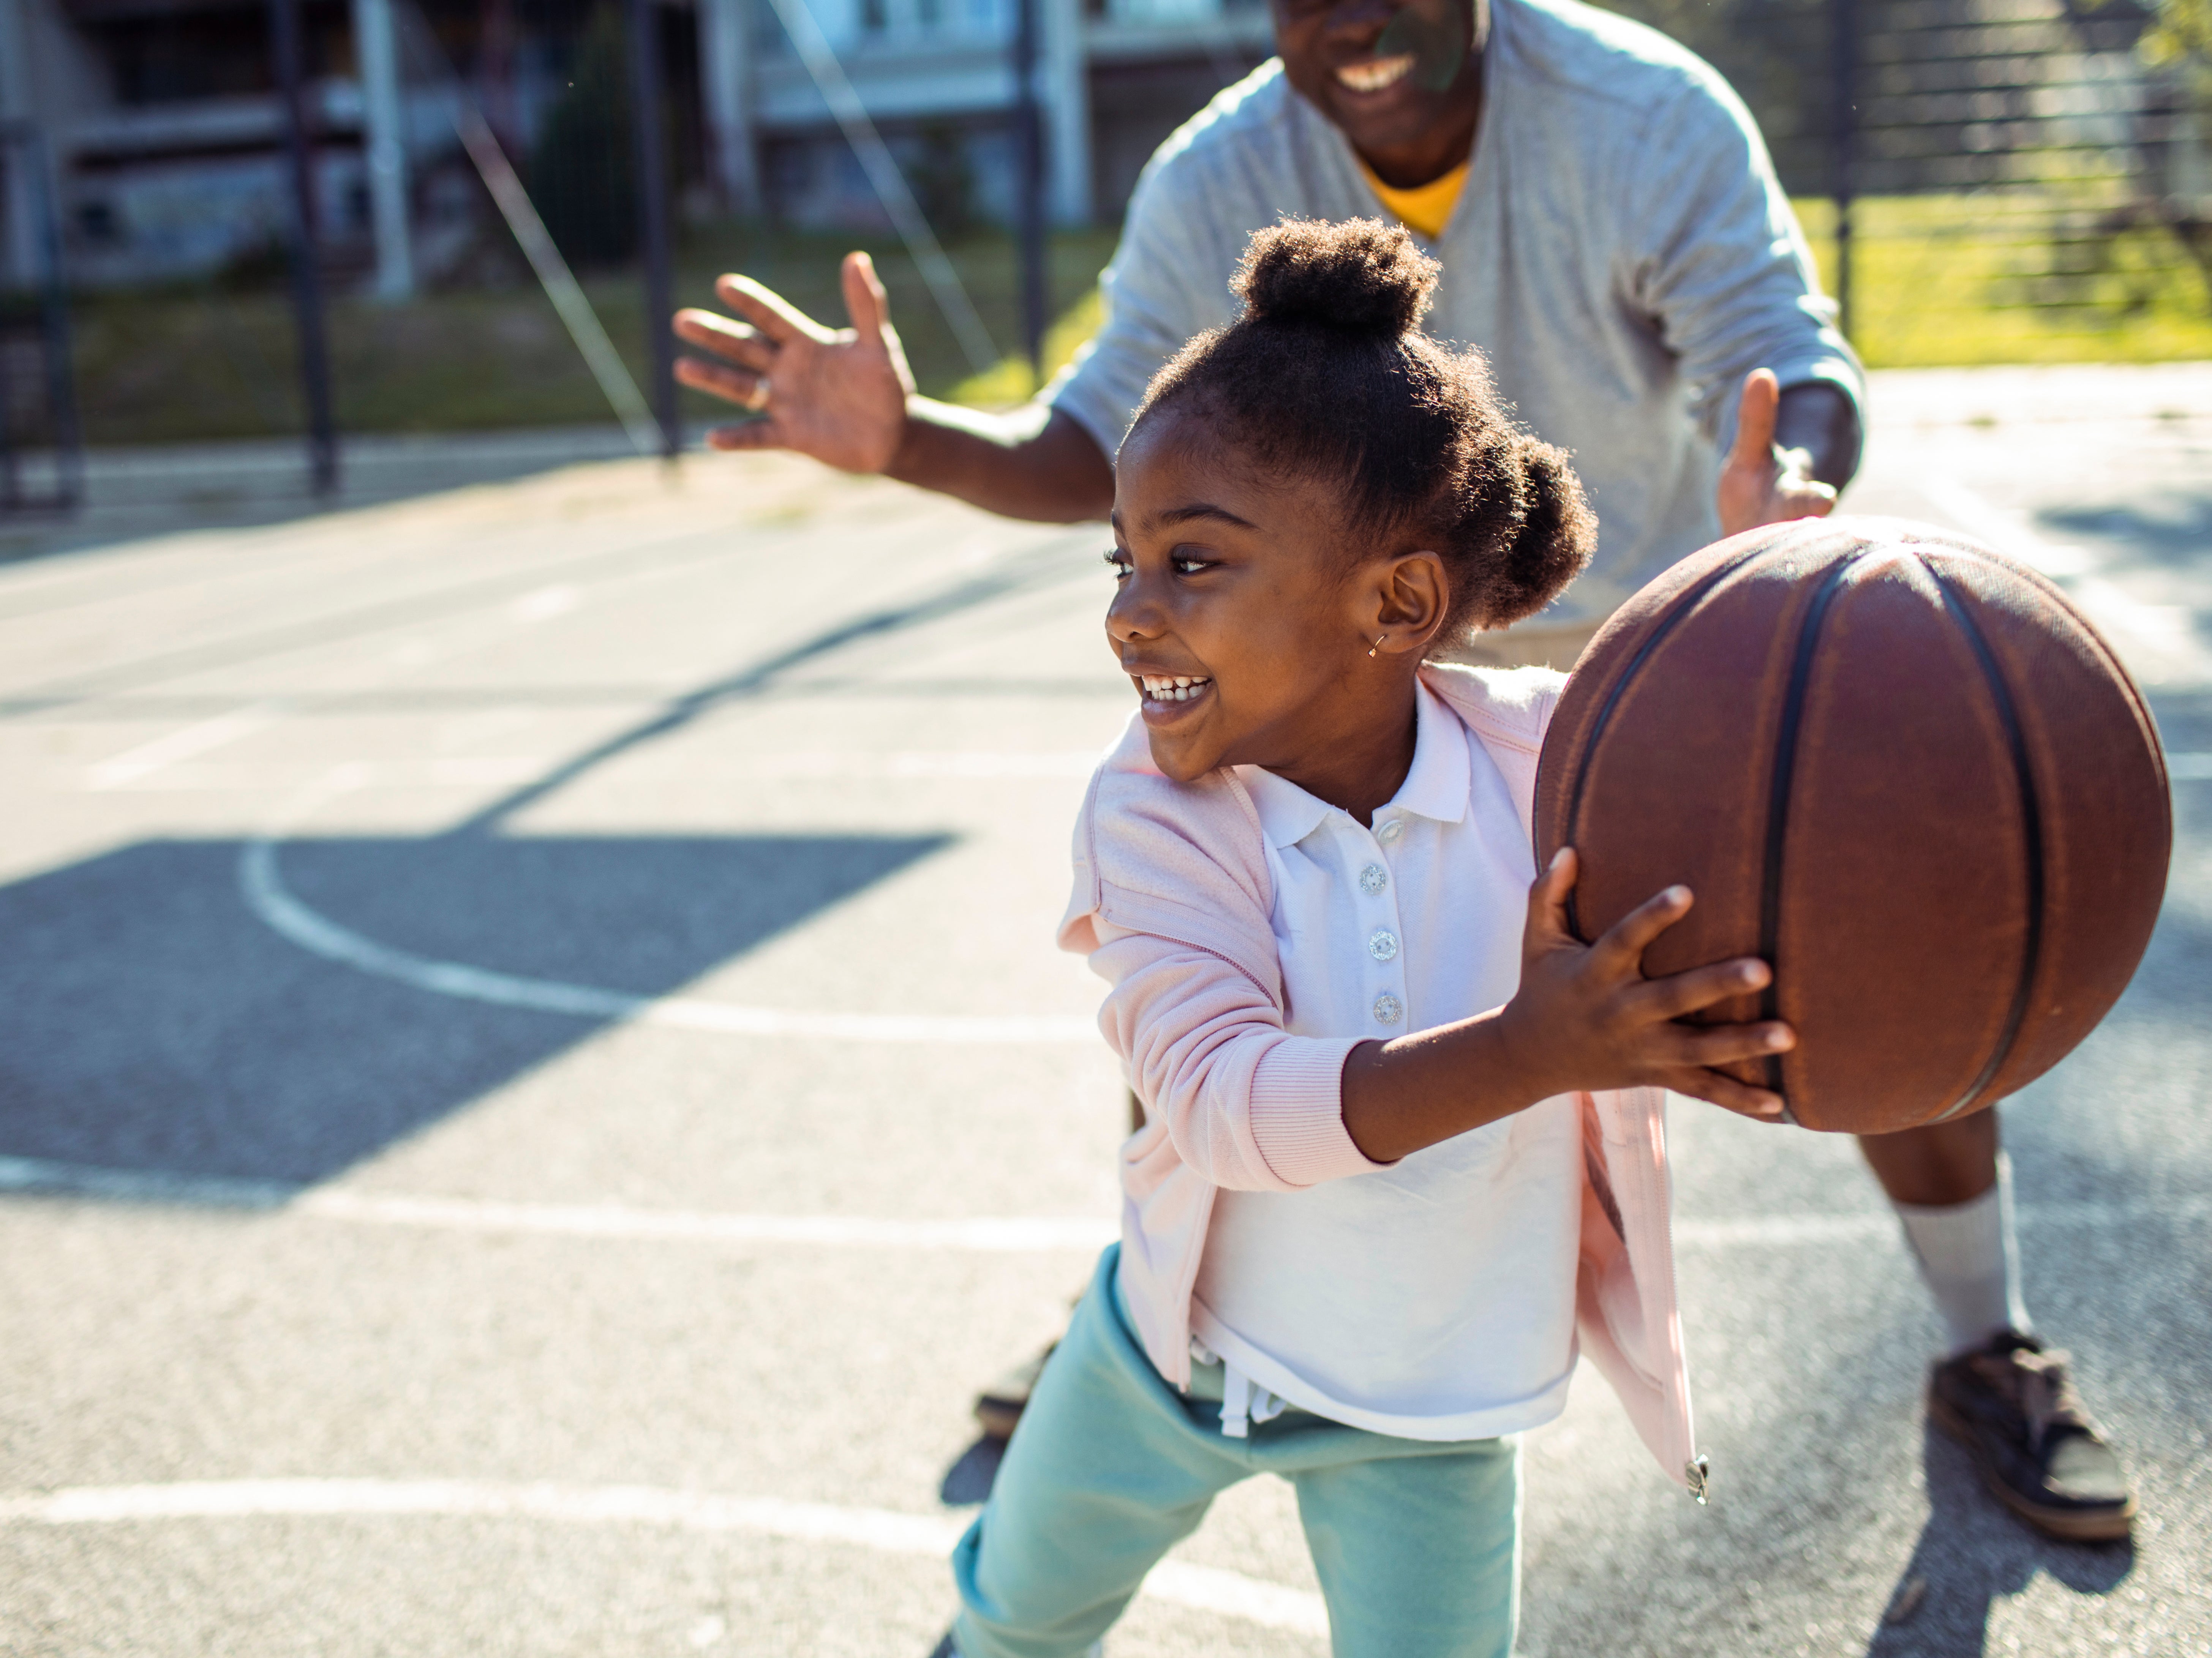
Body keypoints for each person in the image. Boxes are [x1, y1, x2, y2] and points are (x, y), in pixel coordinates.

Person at [675, 0, 2133, 1543]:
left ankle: (1987, 1343)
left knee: (1859, 925)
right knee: (1206, 985)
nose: (1353, 21)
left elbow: (1782, 354)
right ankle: (1155, 1317)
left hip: (1627, 673)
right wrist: (910, 441)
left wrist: (1789, 484)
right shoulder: (1218, 166)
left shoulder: (1642, 115)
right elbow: (1095, 434)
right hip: (1331, 663)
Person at [937, 215, 1800, 1658]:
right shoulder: (1153, 815)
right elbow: (1217, 1105)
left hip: (1432, 1406)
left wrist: (1770, 609)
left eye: (1191, 565)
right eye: (1124, 564)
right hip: (1174, 1360)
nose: (1132, 616)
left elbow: (1728, 777)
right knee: (1014, 1621)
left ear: (1397, 603)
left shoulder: (1546, 767)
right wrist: (1532, 1051)